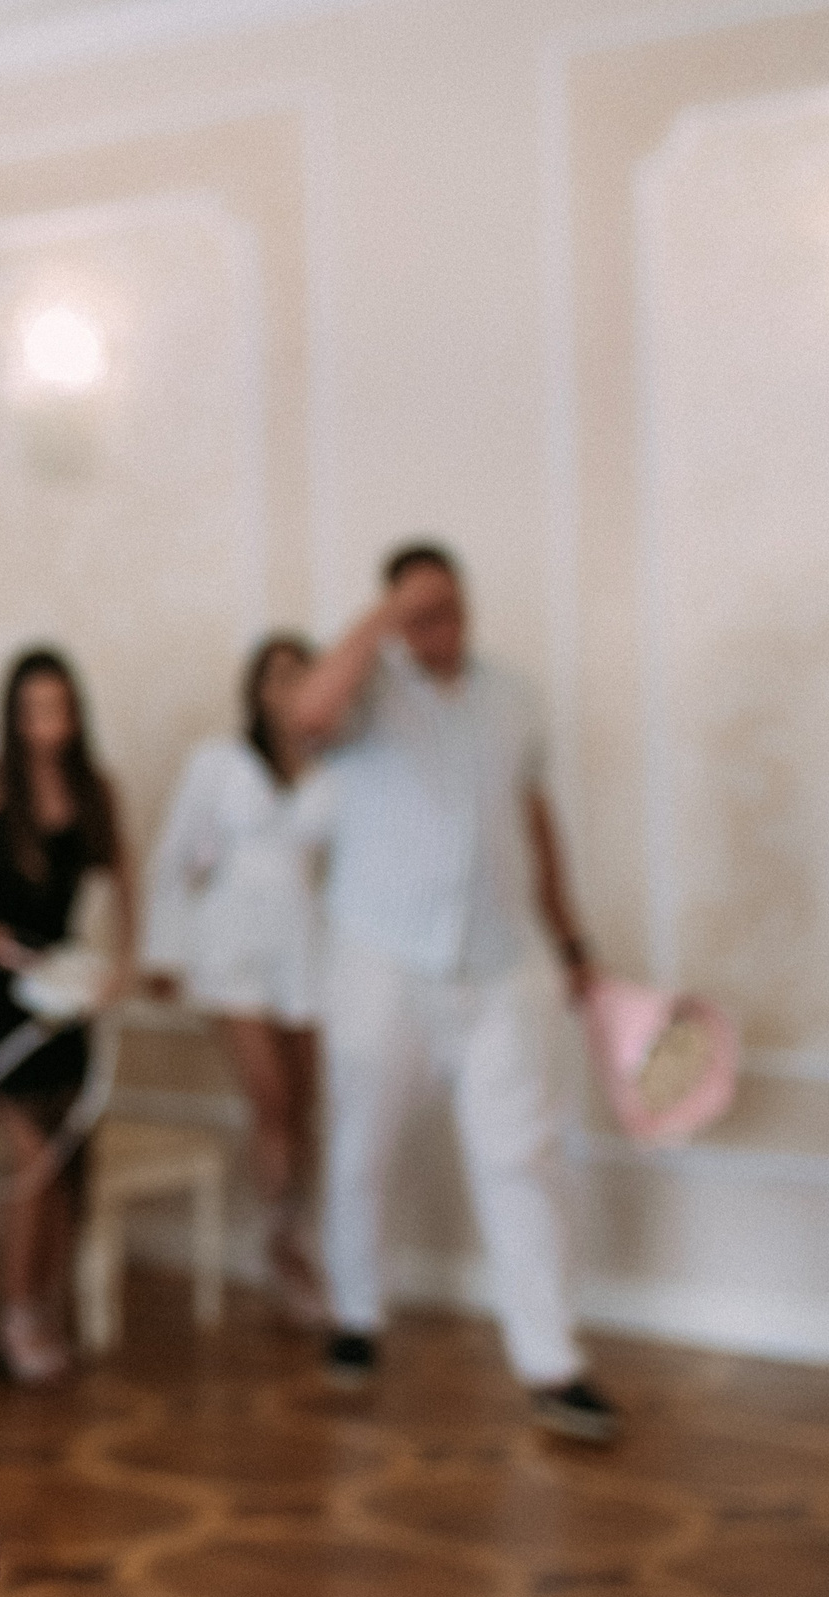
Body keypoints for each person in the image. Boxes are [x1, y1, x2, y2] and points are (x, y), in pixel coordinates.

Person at [285, 541, 618, 1443]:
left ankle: (553, 1362)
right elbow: (308, 707)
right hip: (379, 959)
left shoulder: (514, 697)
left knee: (524, 1157)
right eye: (424, 609)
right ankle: (357, 1317)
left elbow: (535, 820)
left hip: (502, 960)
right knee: (363, 1144)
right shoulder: (365, 694)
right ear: (395, 613)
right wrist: (384, 617)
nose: (445, 623)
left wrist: (571, 935)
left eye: (452, 605)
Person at [0, 649, 137, 1385]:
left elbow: (128, 885)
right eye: (34, 709)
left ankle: (39, 1305)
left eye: (60, 708)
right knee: (30, 1162)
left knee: (69, 1156)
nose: (48, 724)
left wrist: (119, 970)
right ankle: (13, 1316)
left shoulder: (95, 791)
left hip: (64, 988)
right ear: (13, 716)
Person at [142, 634, 334, 1322]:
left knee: (306, 1109)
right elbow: (171, 857)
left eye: (303, 676)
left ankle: (296, 1235)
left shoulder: (333, 765)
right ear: (259, 689)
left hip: (307, 952)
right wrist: (163, 952)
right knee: (272, 1101)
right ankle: (284, 1251)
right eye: (279, 677)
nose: (292, 689)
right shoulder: (219, 764)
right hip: (234, 953)